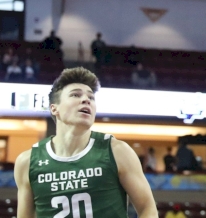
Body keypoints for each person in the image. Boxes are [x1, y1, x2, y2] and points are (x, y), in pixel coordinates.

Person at [13, 67, 157, 218]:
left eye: (91, 97)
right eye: (75, 95)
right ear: (54, 109)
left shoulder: (117, 151)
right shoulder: (27, 162)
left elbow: (148, 208)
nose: (86, 100)